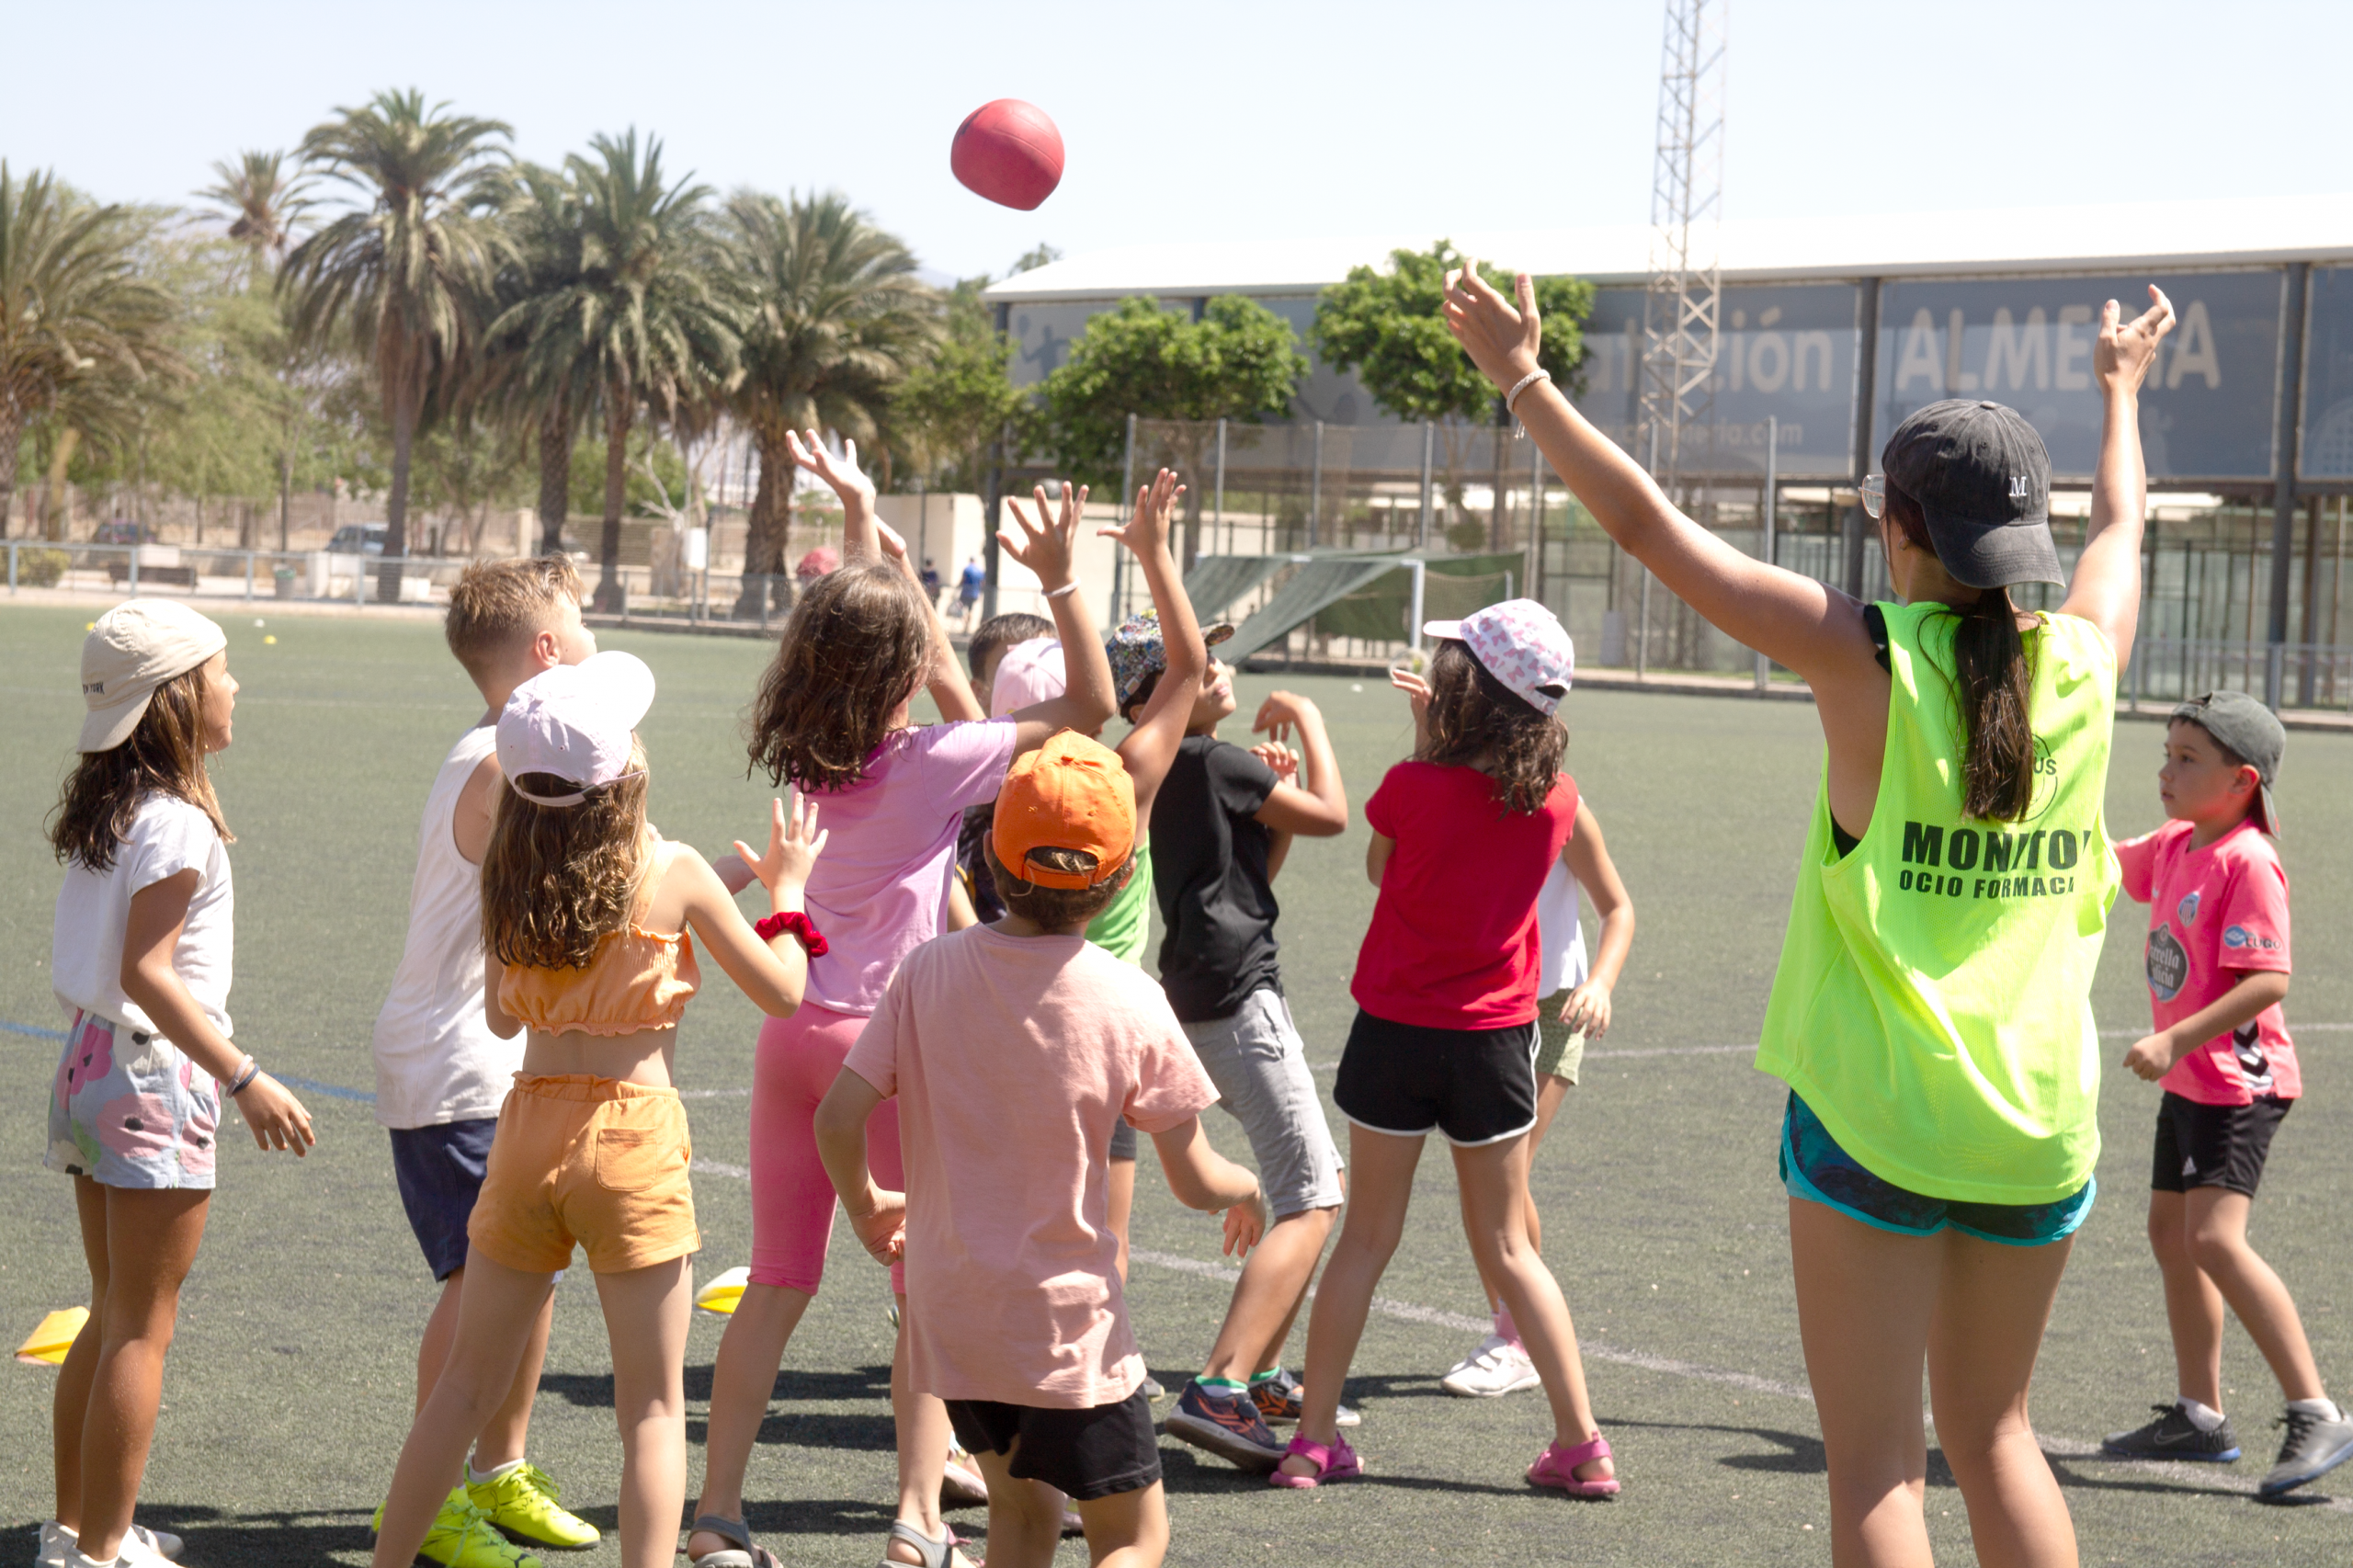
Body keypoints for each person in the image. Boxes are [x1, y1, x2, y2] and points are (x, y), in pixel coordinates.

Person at [1444, 260, 2176, 1558]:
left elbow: (1654, 530)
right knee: (1998, 1436)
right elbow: (2124, 530)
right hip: (2041, 1127)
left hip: (1875, 1120)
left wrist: (1523, 378)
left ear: (1895, 529)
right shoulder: (2089, 659)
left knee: (1880, 1467)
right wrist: (2123, 394)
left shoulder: (1868, 659)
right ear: (2026, 543)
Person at [690, 434, 1116, 1568]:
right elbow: (1093, 702)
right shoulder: (933, 762)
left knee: (775, 1281)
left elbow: (899, 648)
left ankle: (717, 1513)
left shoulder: (805, 759)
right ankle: (919, 1516)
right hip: (885, 1050)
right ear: (900, 673)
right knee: (922, 1294)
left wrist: (867, 517)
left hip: (791, 1036)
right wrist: (1064, 577)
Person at [369, 651, 826, 1568]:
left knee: (461, 1389)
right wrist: (787, 891)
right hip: (634, 1138)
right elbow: (782, 989)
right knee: (652, 1409)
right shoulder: (676, 866)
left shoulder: (508, 869)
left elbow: (504, 1012)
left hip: (529, 1126)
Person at [813, 732, 1267, 1568]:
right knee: (1133, 1537)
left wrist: (868, 1203)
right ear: (1125, 876)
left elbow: (836, 1120)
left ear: (987, 850)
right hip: (1064, 1331)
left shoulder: (926, 973)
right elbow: (1196, 1178)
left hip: (953, 1319)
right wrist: (1245, 1187)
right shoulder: (1129, 996)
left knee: (1020, 1522)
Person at [1273, 600, 1613, 1498]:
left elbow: (1383, 866)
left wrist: (1425, 746)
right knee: (1509, 1245)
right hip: (1497, 1041)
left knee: (1365, 1239)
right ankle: (1580, 1442)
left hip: (1393, 1030)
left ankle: (1312, 1441)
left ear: (1465, 690)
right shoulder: (1557, 799)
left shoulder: (1410, 783)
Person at [45, 601, 315, 1568]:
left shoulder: (114, 808)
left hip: (88, 1061)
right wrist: (244, 1077)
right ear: (175, 697)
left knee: (113, 1304)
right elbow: (149, 971)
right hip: (150, 1069)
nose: (236, 685)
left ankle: (76, 1531)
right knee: (141, 1329)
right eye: (221, 670)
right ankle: (105, 1550)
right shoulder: (178, 824)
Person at [368, 558, 601, 1567]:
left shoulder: (504, 750)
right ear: (545, 651)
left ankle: (498, 1468)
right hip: (456, 1058)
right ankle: (429, 1501)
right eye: (578, 616)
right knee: (481, 1278)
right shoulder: (504, 765)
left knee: (530, 1269)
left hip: (475, 1050)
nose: (590, 628)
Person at [2098, 692, 2353, 1494]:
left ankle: (2318, 1411)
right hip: (2191, 1084)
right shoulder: (2179, 843)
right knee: (2171, 1235)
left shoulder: (2247, 861)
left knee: (2212, 1239)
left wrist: (2175, 1035)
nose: (2165, 771)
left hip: (2237, 1085)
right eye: (2166, 752)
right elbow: (2109, 864)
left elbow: (2269, 978)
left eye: (2187, 759)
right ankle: (2200, 1417)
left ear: (2242, 782)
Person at [1145, 607, 1351, 1474]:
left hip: (1199, 993)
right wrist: (1308, 717)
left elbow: (1250, 878)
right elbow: (1335, 816)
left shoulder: (1171, 767)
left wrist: (1267, 810)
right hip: (1241, 1003)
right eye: (1201, 664)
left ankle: (1263, 1371)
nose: (1219, 670)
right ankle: (1221, 1384)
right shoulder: (1219, 760)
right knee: (1313, 1196)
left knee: (1305, 1183)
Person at [1406, 677, 1634, 1400]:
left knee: (1501, 1187)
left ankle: (1517, 1339)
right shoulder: (1451, 791)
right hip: (1481, 1008)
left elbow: (1618, 908)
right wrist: (1425, 745)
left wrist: (1600, 982)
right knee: (1493, 1187)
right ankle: (1520, 1331)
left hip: (1550, 1010)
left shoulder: (1561, 802)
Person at [955, 556, 985, 626]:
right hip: (974, 593)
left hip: (965, 592)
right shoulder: (979, 571)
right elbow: (982, 583)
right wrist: (980, 593)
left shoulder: (967, 569)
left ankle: (964, 620)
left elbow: (963, 579)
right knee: (970, 609)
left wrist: (957, 587)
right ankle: (967, 625)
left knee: (959, 607)